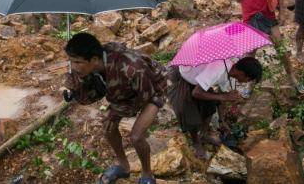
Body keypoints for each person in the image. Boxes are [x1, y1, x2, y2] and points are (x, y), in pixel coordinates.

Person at [64, 33, 167, 184]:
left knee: (137, 137)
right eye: (71, 61)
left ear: (93, 60)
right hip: (127, 94)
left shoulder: (132, 67)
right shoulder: (89, 67)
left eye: (77, 62)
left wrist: (117, 111)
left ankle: (147, 174)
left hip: (153, 90)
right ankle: (123, 167)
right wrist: (76, 91)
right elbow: (92, 97)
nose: (74, 67)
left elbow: (144, 98)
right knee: (108, 126)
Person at [228, 0, 304, 94]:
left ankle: (292, 78)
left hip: (267, 14)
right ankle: (250, 83)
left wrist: (282, 11)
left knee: (280, 47)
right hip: (250, 17)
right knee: (250, 54)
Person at [168, 57, 262, 159]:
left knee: (210, 103)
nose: (245, 83)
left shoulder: (230, 72)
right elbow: (196, 92)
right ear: (242, 73)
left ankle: (203, 135)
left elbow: (222, 97)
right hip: (185, 74)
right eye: (248, 80)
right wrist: (224, 97)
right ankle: (196, 142)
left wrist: (222, 121)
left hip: (198, 78)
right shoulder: (218, 68)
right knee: (188, 108)